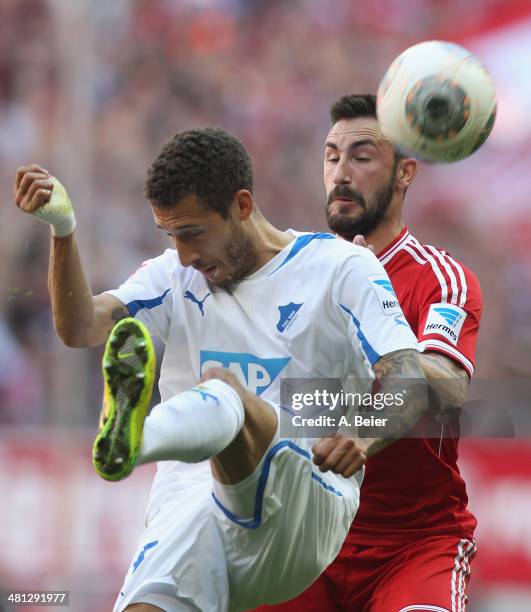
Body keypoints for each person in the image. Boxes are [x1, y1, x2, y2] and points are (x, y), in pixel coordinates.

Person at [14, 126, 431, 612]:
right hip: (190, 507)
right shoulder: (172, 276)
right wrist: (63, 230)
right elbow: (81, 327)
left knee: (225, 392)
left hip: (304, 506)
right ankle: (134, 439)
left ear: (242, 205)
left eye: (193, 233)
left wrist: (361, 433)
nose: (186, 255)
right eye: (171, 235)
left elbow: (410, 376)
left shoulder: (340, 268)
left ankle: (135, 440)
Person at [258, 95, 482, 611]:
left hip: (413, 542)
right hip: (307, 533)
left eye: (361, 157)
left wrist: (371, 316)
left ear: (405, 172)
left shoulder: (442, 278)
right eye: (332, 156)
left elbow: (447, 384)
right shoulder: (295, 271)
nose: (341, 172)